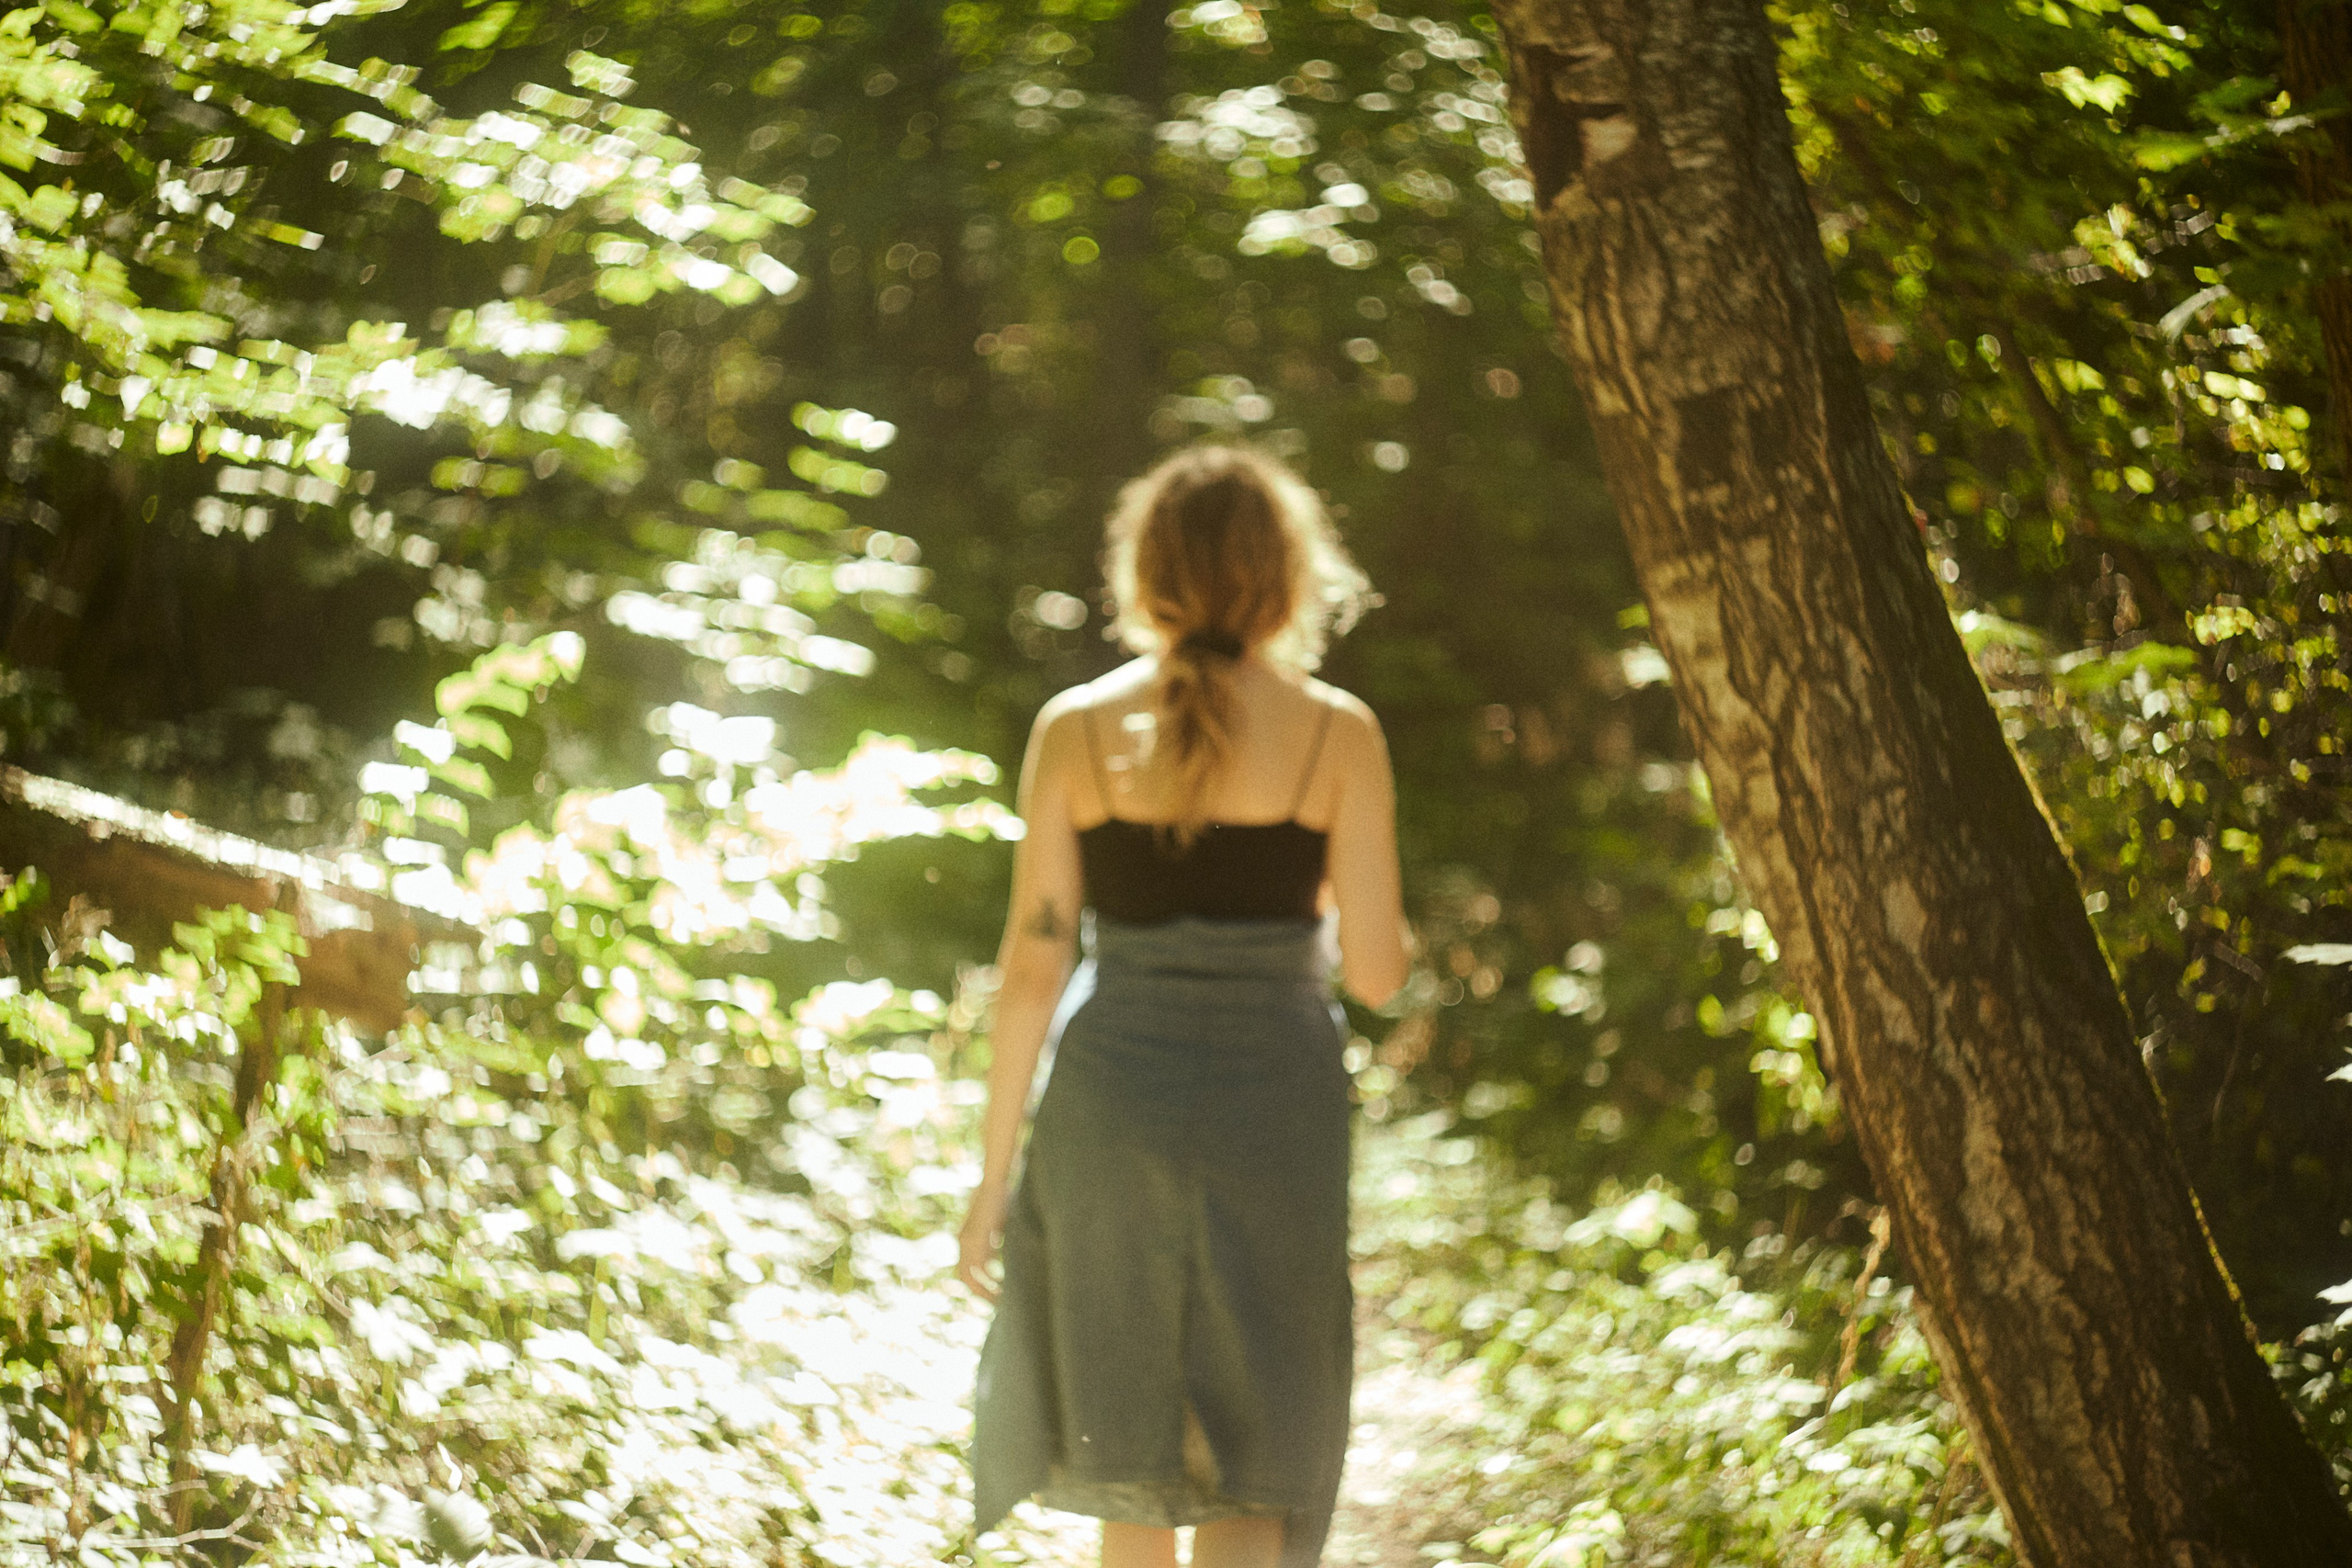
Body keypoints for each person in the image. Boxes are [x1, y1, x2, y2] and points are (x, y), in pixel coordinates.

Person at [958, 445, 1411, 1568]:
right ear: (1286, 574)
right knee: (1257, 1451)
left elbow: (1031, 968)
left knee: (1133, 1454)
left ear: (1145, 571)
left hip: (1111, 1101)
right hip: (1273, 1103)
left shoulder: (1073, 729)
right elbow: (1377, 974)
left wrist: (989, 1181)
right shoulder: (1337, 732)